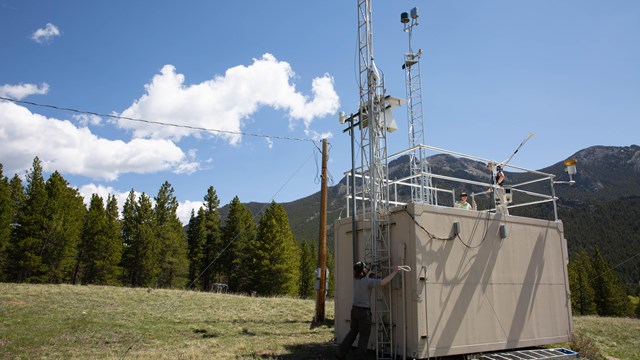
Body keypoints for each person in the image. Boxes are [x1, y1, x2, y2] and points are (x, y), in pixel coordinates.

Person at [338, 262, 400, 360]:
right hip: (364, 313)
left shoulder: (356, 279)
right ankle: (360, 357)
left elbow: (364, 273)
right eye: (365, 268)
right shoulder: (368, 281)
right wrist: (395, 272)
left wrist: (369, 266)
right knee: (364, 337)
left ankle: (341, 353)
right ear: (362, 271)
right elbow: (383, 282)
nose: (366, 269)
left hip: (354, 310)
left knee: (352, 332)